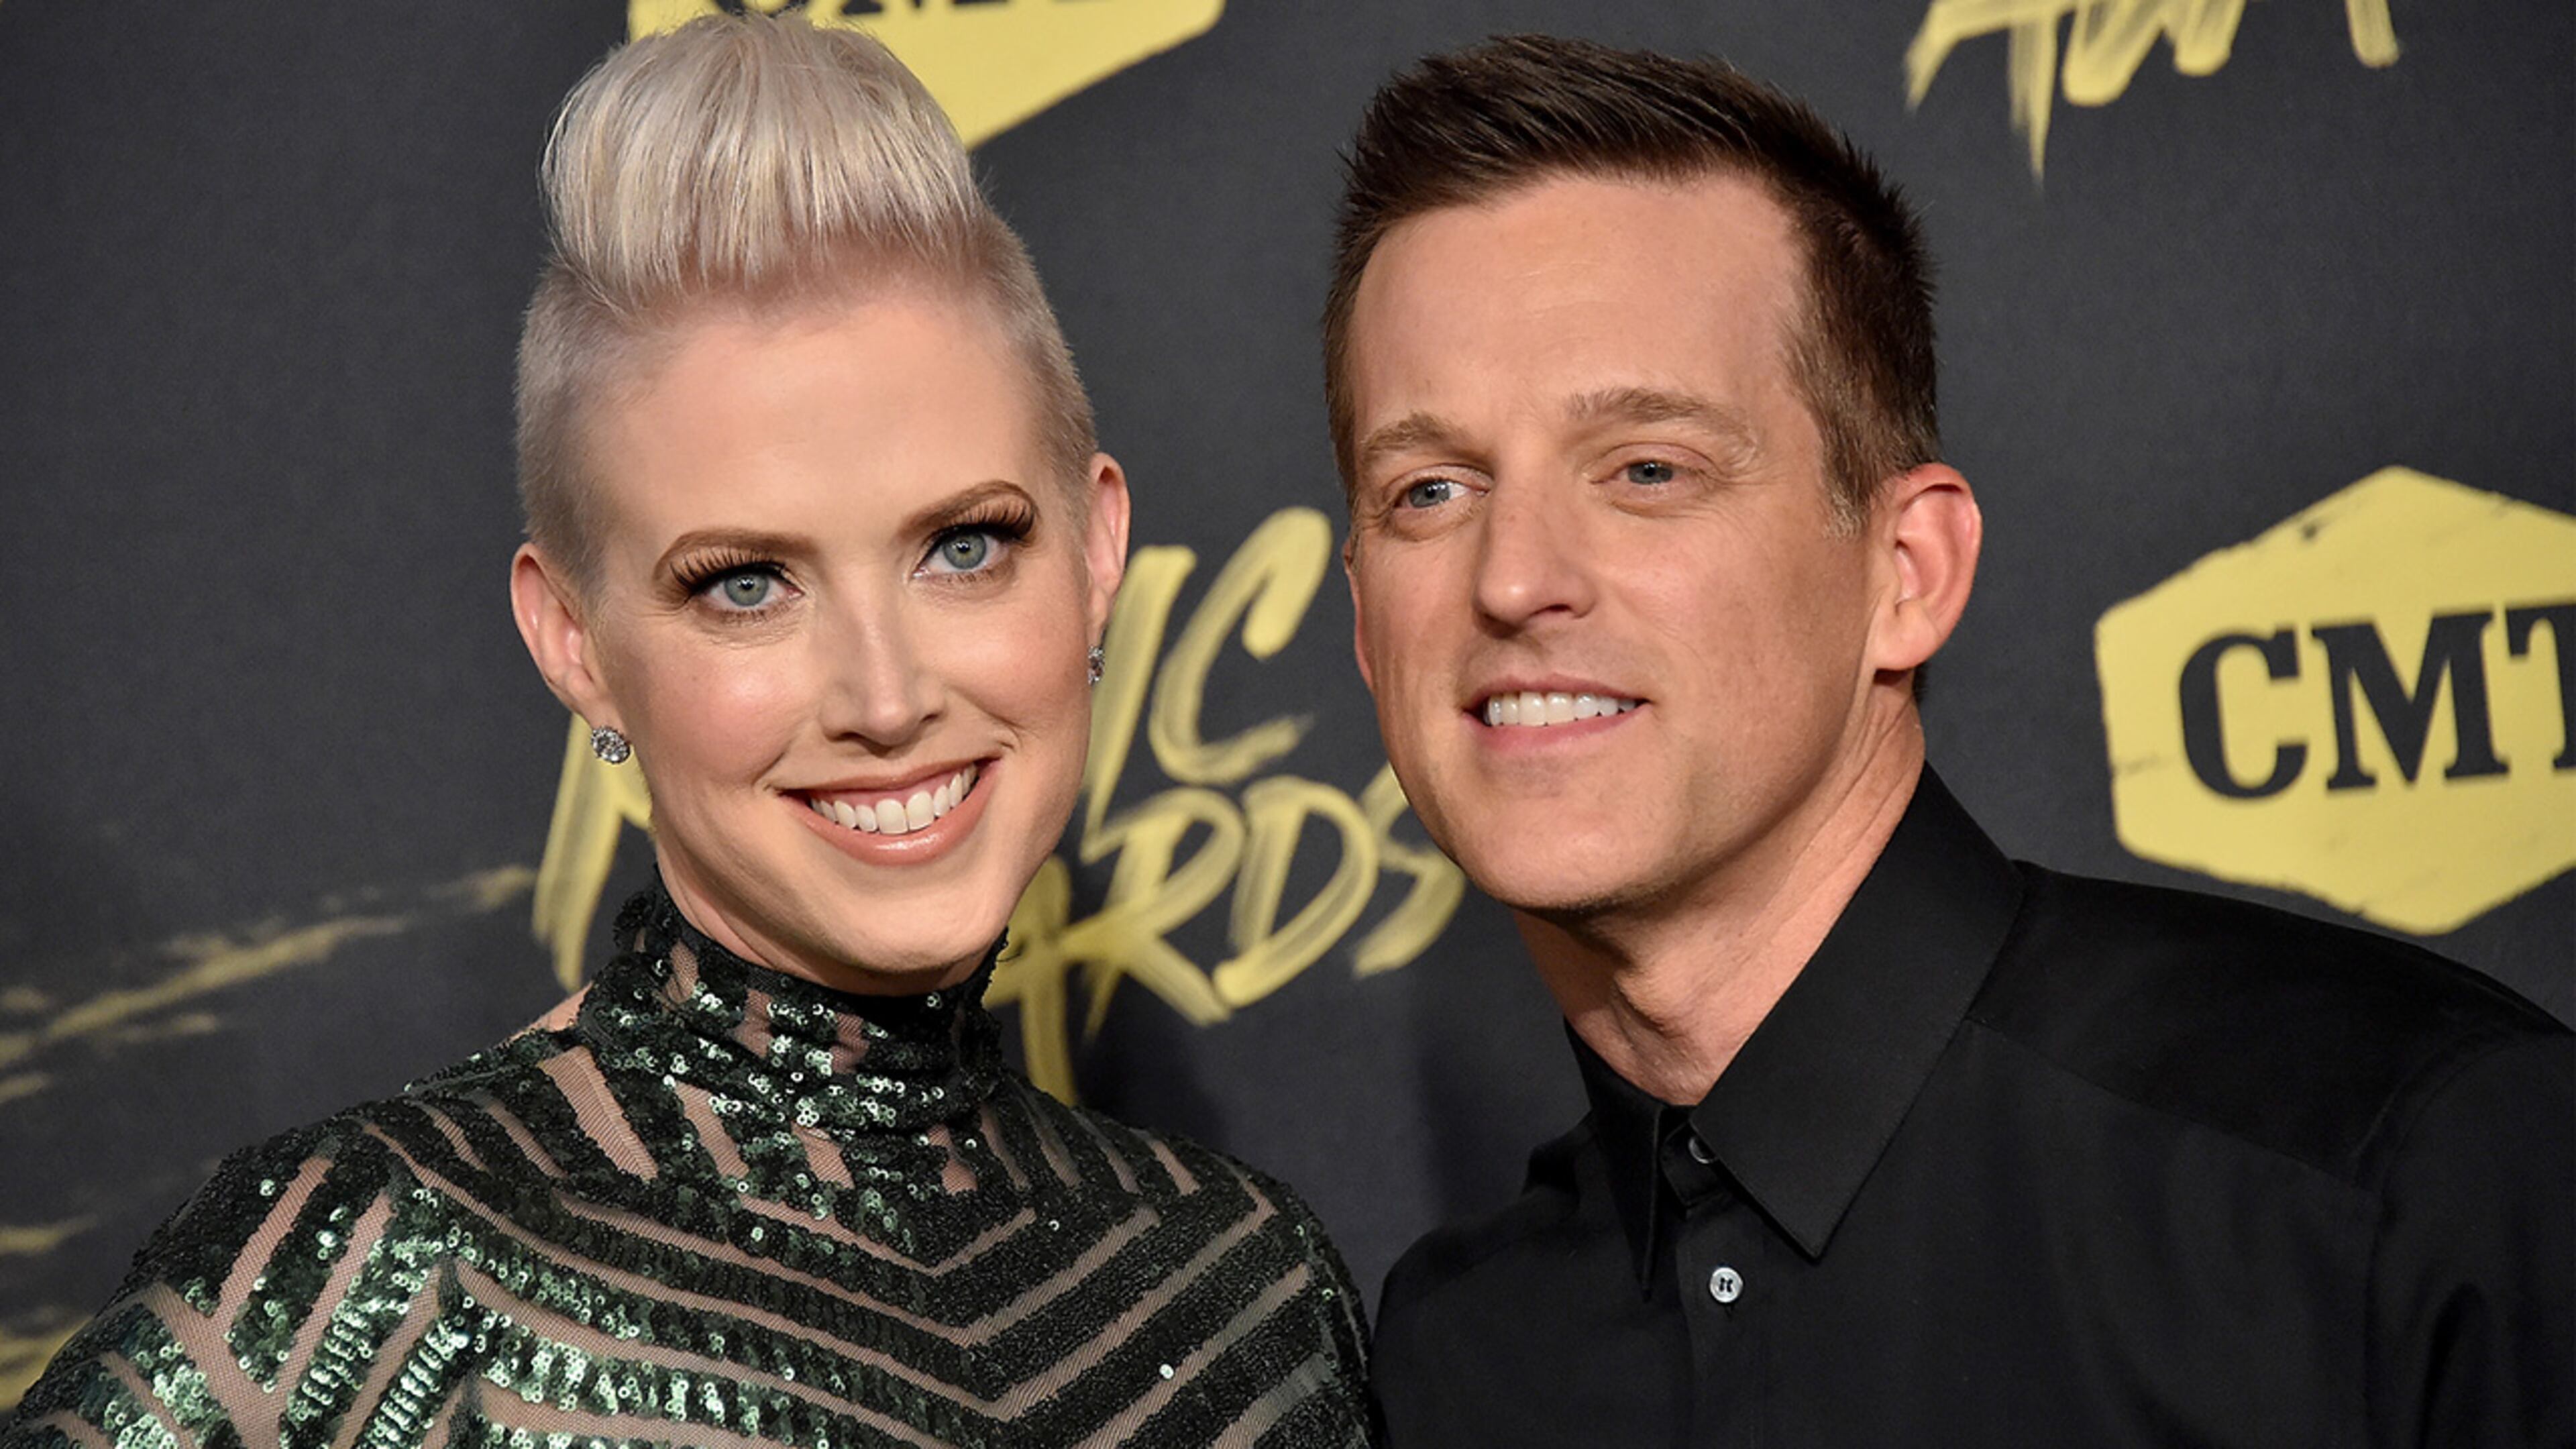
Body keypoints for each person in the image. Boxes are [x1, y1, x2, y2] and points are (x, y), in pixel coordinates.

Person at [3, 16, 1369, 1448]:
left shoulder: (1250, 1296)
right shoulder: (397, 1262)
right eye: (748, 586)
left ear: (1098, 550)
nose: (887, 695)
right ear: (575, 642)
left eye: (964, 547)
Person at [1328, 35, 2573, 1448]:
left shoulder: (2406, 1176)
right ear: (1368, 624)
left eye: (1648, 471)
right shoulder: (1453, 1361)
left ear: (1907, 572)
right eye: (1430, 490)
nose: (1512, 577)